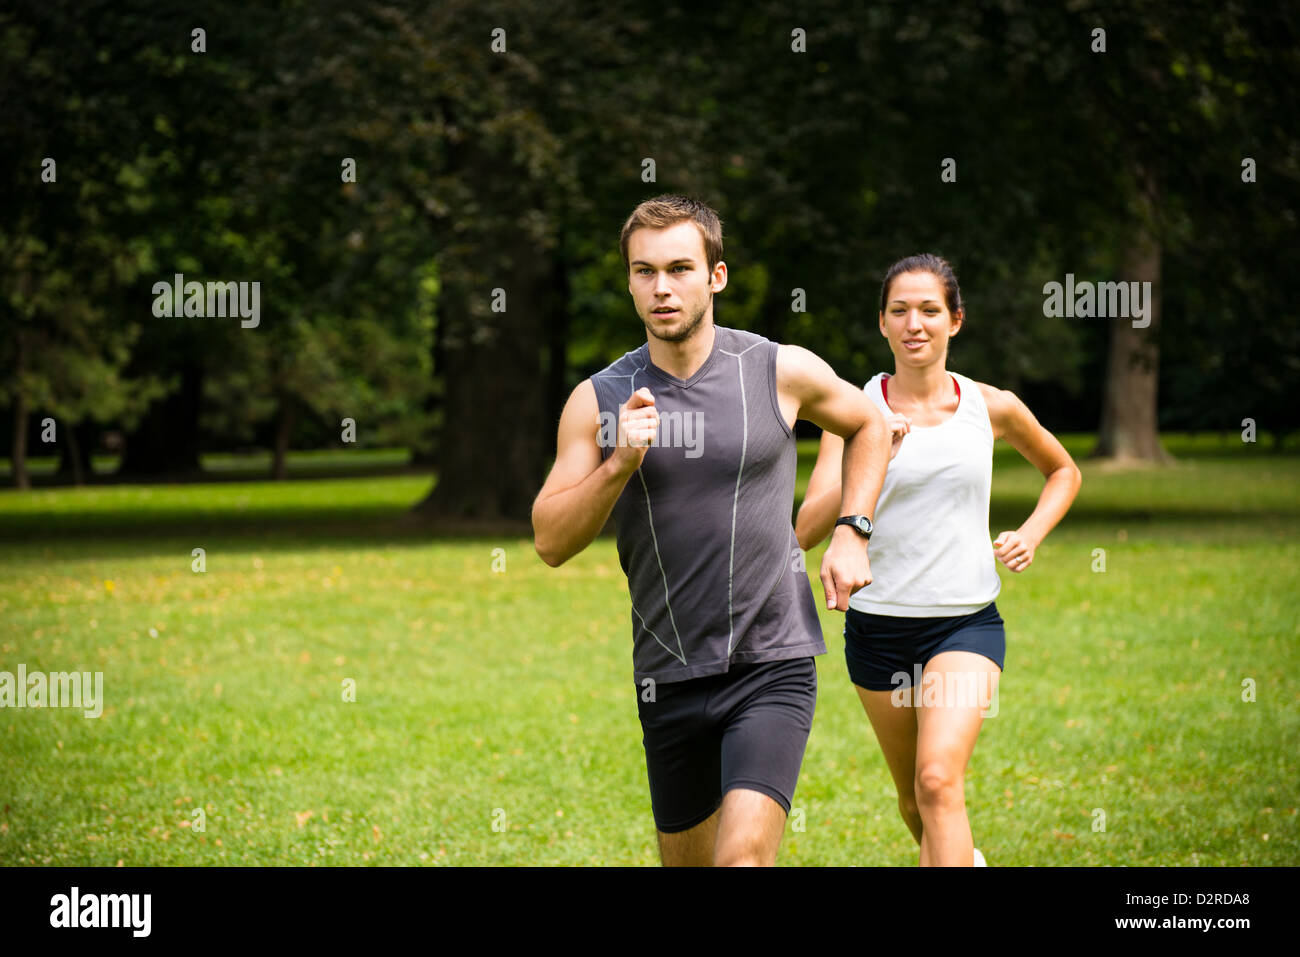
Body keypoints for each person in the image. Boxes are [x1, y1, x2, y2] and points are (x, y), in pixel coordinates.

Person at [532, 194, 890, 866]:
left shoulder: (779, 370)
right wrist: (618, 464)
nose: (662, 287)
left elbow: (868, 421)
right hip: (667, 672)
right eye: (644, 271)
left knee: (742, 860)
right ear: (630, 281)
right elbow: (550, 539)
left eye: (679, 268)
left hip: (771, 662)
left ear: (715, 276)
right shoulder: (600, 398)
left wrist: (852, 530)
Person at [795, 253, 1081, 866]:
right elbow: (808, 527)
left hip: (964, 623)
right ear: (881, 324)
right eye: (899, 310)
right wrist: (871, 451)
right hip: (876, 631)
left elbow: (1063, 470)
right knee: (911, 801)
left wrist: (1031, 531)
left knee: (936, 783)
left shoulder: (991, 405)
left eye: (929, 310)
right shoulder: (851, 410)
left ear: (955, 320)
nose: (914, 323)